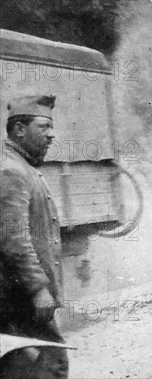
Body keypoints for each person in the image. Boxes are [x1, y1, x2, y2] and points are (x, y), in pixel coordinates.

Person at [0, 95, 69, 379]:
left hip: (19, 299)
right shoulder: (12, 171)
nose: (51, 134)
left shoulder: (24, 168)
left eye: (51, 127)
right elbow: (14, 239)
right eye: (43, 127)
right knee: (50, 364)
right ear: (19, 129)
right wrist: (38, 289)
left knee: (27, 367)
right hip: (19, 299)